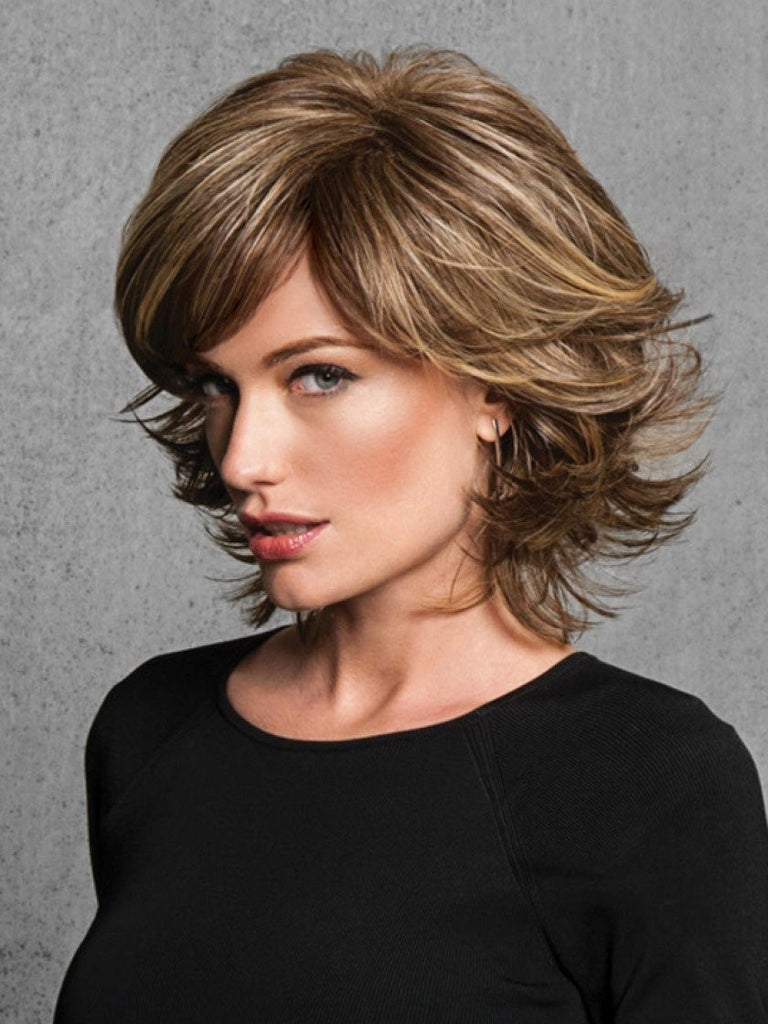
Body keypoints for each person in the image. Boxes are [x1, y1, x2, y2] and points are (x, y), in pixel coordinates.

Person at [54, 46, 768, 1023]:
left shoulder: (650, 784)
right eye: (217, 385)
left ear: (495, 385)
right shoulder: (149, 733)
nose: (243, 458)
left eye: (320, 375)